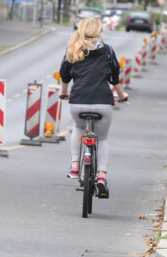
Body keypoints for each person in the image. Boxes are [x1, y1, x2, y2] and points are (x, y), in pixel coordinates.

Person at [58, 17, 128, 199]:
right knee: (102, 138)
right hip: (102, 102)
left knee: (79, 128)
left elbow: (64, 75)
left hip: (78, 101)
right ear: (98, 30)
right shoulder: (107, 50)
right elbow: (114, 77)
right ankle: (102, 177)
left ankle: (74, 167)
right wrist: (121, 95)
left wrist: (64, 93)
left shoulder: (72, 48)